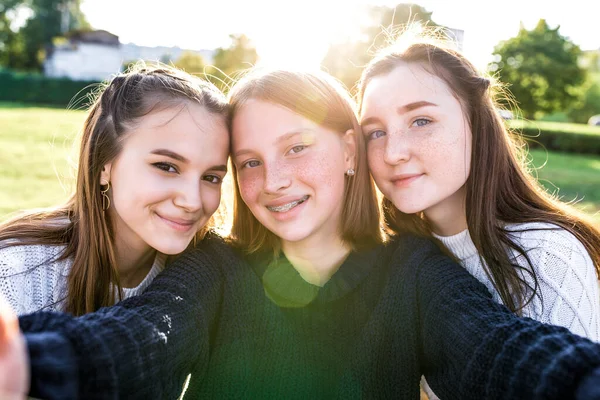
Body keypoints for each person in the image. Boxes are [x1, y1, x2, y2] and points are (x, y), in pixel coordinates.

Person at [5, 68, 600, 400]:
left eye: (296, 148)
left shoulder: (414, 271)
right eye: (250, 162)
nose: (275, 181)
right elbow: (144, 334)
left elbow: (494, 347)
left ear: (348, 150)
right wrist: (33, 358)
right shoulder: (214, 267)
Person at [356, 32, 600, 398]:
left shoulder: (545, 255)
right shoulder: (401, 258)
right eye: (375, 132)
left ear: (475, 120)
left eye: (421, 121)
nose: (392, 152)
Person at [0, 63, 230, 316]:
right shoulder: (15, 272)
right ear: (103, 165)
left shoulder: (203, 268)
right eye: (166, 166)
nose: (193, 202)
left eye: (211, 177)